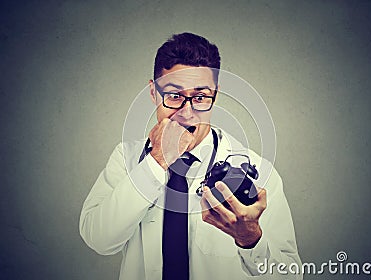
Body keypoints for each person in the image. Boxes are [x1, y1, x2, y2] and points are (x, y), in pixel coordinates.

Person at [79, 32, 302, 280]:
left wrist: (250, 240)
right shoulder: (127, 158)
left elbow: (290, 275)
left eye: (199, 97)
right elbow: (99, 240)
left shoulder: (258, 171)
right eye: (174, 95)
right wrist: (156, 161)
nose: (187, 112)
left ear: (215, 95)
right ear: (153, 93)